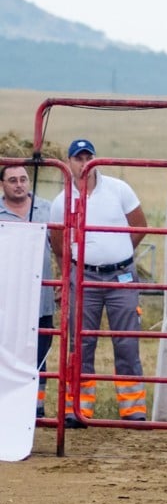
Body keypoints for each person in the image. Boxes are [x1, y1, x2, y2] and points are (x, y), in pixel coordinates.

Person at [49, 139, 148, 426]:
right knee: (81, 341)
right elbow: (58, 244)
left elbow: (139, 225)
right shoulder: (61, 201)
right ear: (69, 163)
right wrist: (66, 273)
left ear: (95, 160)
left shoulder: (119, 189)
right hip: (83, 275)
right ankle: (77, 409)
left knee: (127, 341)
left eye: (87, 157)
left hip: (121, 274)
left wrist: (119, 253)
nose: (83, 163)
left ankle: (133, 411)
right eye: (77, 158)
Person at [0, 164, 54, 418]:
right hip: (7, 298)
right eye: (12, 180)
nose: (19, 184)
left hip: (41, 297)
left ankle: (36, 407)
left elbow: (63, 247)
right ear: (3, 184)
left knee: (40, 351)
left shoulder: (46, 209)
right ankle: (8, 405)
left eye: (23, 179)